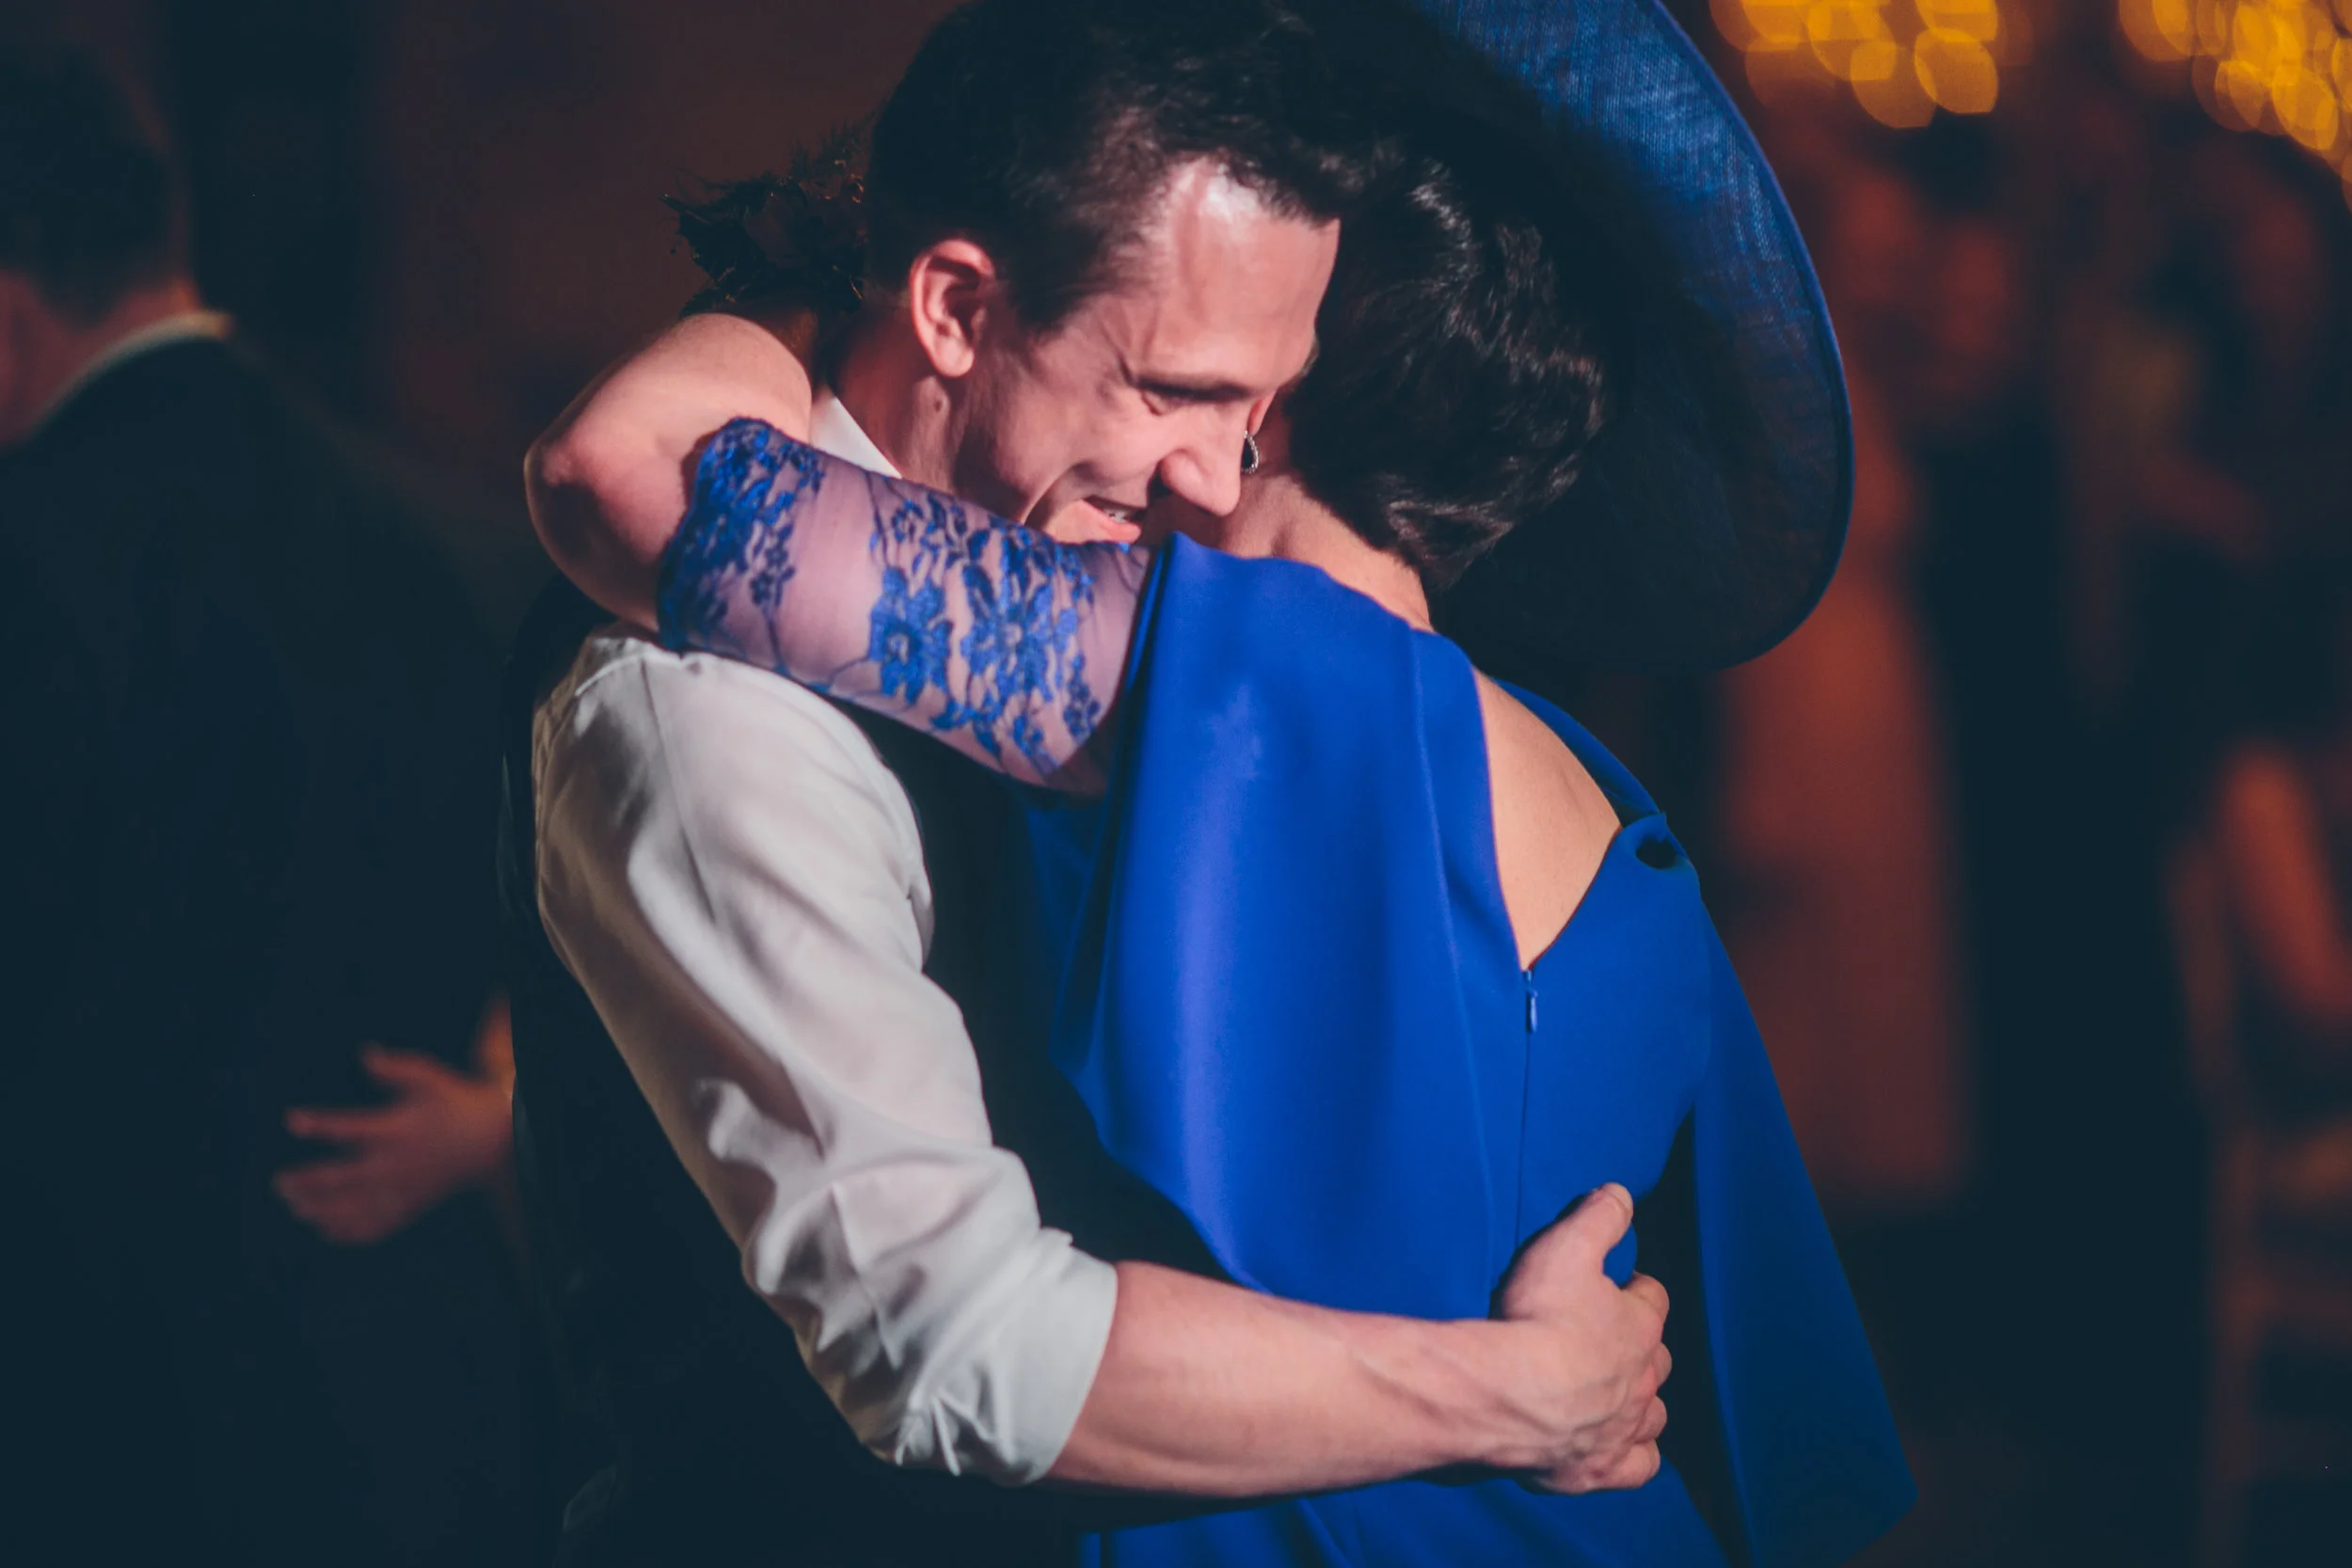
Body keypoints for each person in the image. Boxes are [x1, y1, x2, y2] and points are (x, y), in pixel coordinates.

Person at [528, 1, 1913, 1563]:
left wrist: (781, 311)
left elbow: (638, 474)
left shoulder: (1186, 687)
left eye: (1246, 402)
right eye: (1182, 385)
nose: (1205, 467)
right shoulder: (1609, 821)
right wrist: (1534, 1388)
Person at [0, 40, 530, 1566]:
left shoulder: (35, 560)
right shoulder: (463, 542)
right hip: (425, 1403)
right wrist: (511, 1117)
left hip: (95, 1429)